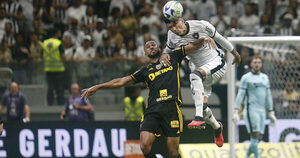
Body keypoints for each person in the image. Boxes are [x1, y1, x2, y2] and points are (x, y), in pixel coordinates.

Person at [81, 38, 207, 158]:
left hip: (171, 108)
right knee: (144, 146)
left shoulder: (173, 57)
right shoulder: (144, 71)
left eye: (153, 44)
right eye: (148, 46)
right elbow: (121, 81)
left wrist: (205, 37)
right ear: (145, 53)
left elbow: (193, 45)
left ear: (159, 48)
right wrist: (99, 86)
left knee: (173, 152)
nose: (151, 46)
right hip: (152, 110)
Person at [161, 3, 241, 147]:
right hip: (199, 71)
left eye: (175, 25)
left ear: (181, 20)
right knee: (203, 108)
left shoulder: (201, 25)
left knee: (194, 76)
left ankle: (197, 118)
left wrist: (235, 53)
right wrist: (163, 56)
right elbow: (168, 50)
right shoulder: (172, 35)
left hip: (216, 63)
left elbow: (220, 38)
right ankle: (217, 127)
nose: (174, 29)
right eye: (170, 27)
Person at [233, 56, 277, 158]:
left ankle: (246, 156)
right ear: (251, 64)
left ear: (261, 65)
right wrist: (236, 110)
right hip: (251, 110)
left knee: (258, 137)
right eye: (255, 62)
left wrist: (271, 112)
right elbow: (240, 94)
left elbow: (268, 95)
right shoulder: (246, 78)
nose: (257, 64)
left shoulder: (265, 78)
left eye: (259, 62)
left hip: (262, 111)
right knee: (255, 135)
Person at [42, 29, 66, 105]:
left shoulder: (45, 43)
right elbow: (63, 56)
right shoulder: (58, 43)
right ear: (56, 33)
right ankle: (60, 104)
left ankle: (50, 104)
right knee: (59, 88)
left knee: (50, 88)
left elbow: (42, 55)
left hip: (48, 68)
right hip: (58, 69)